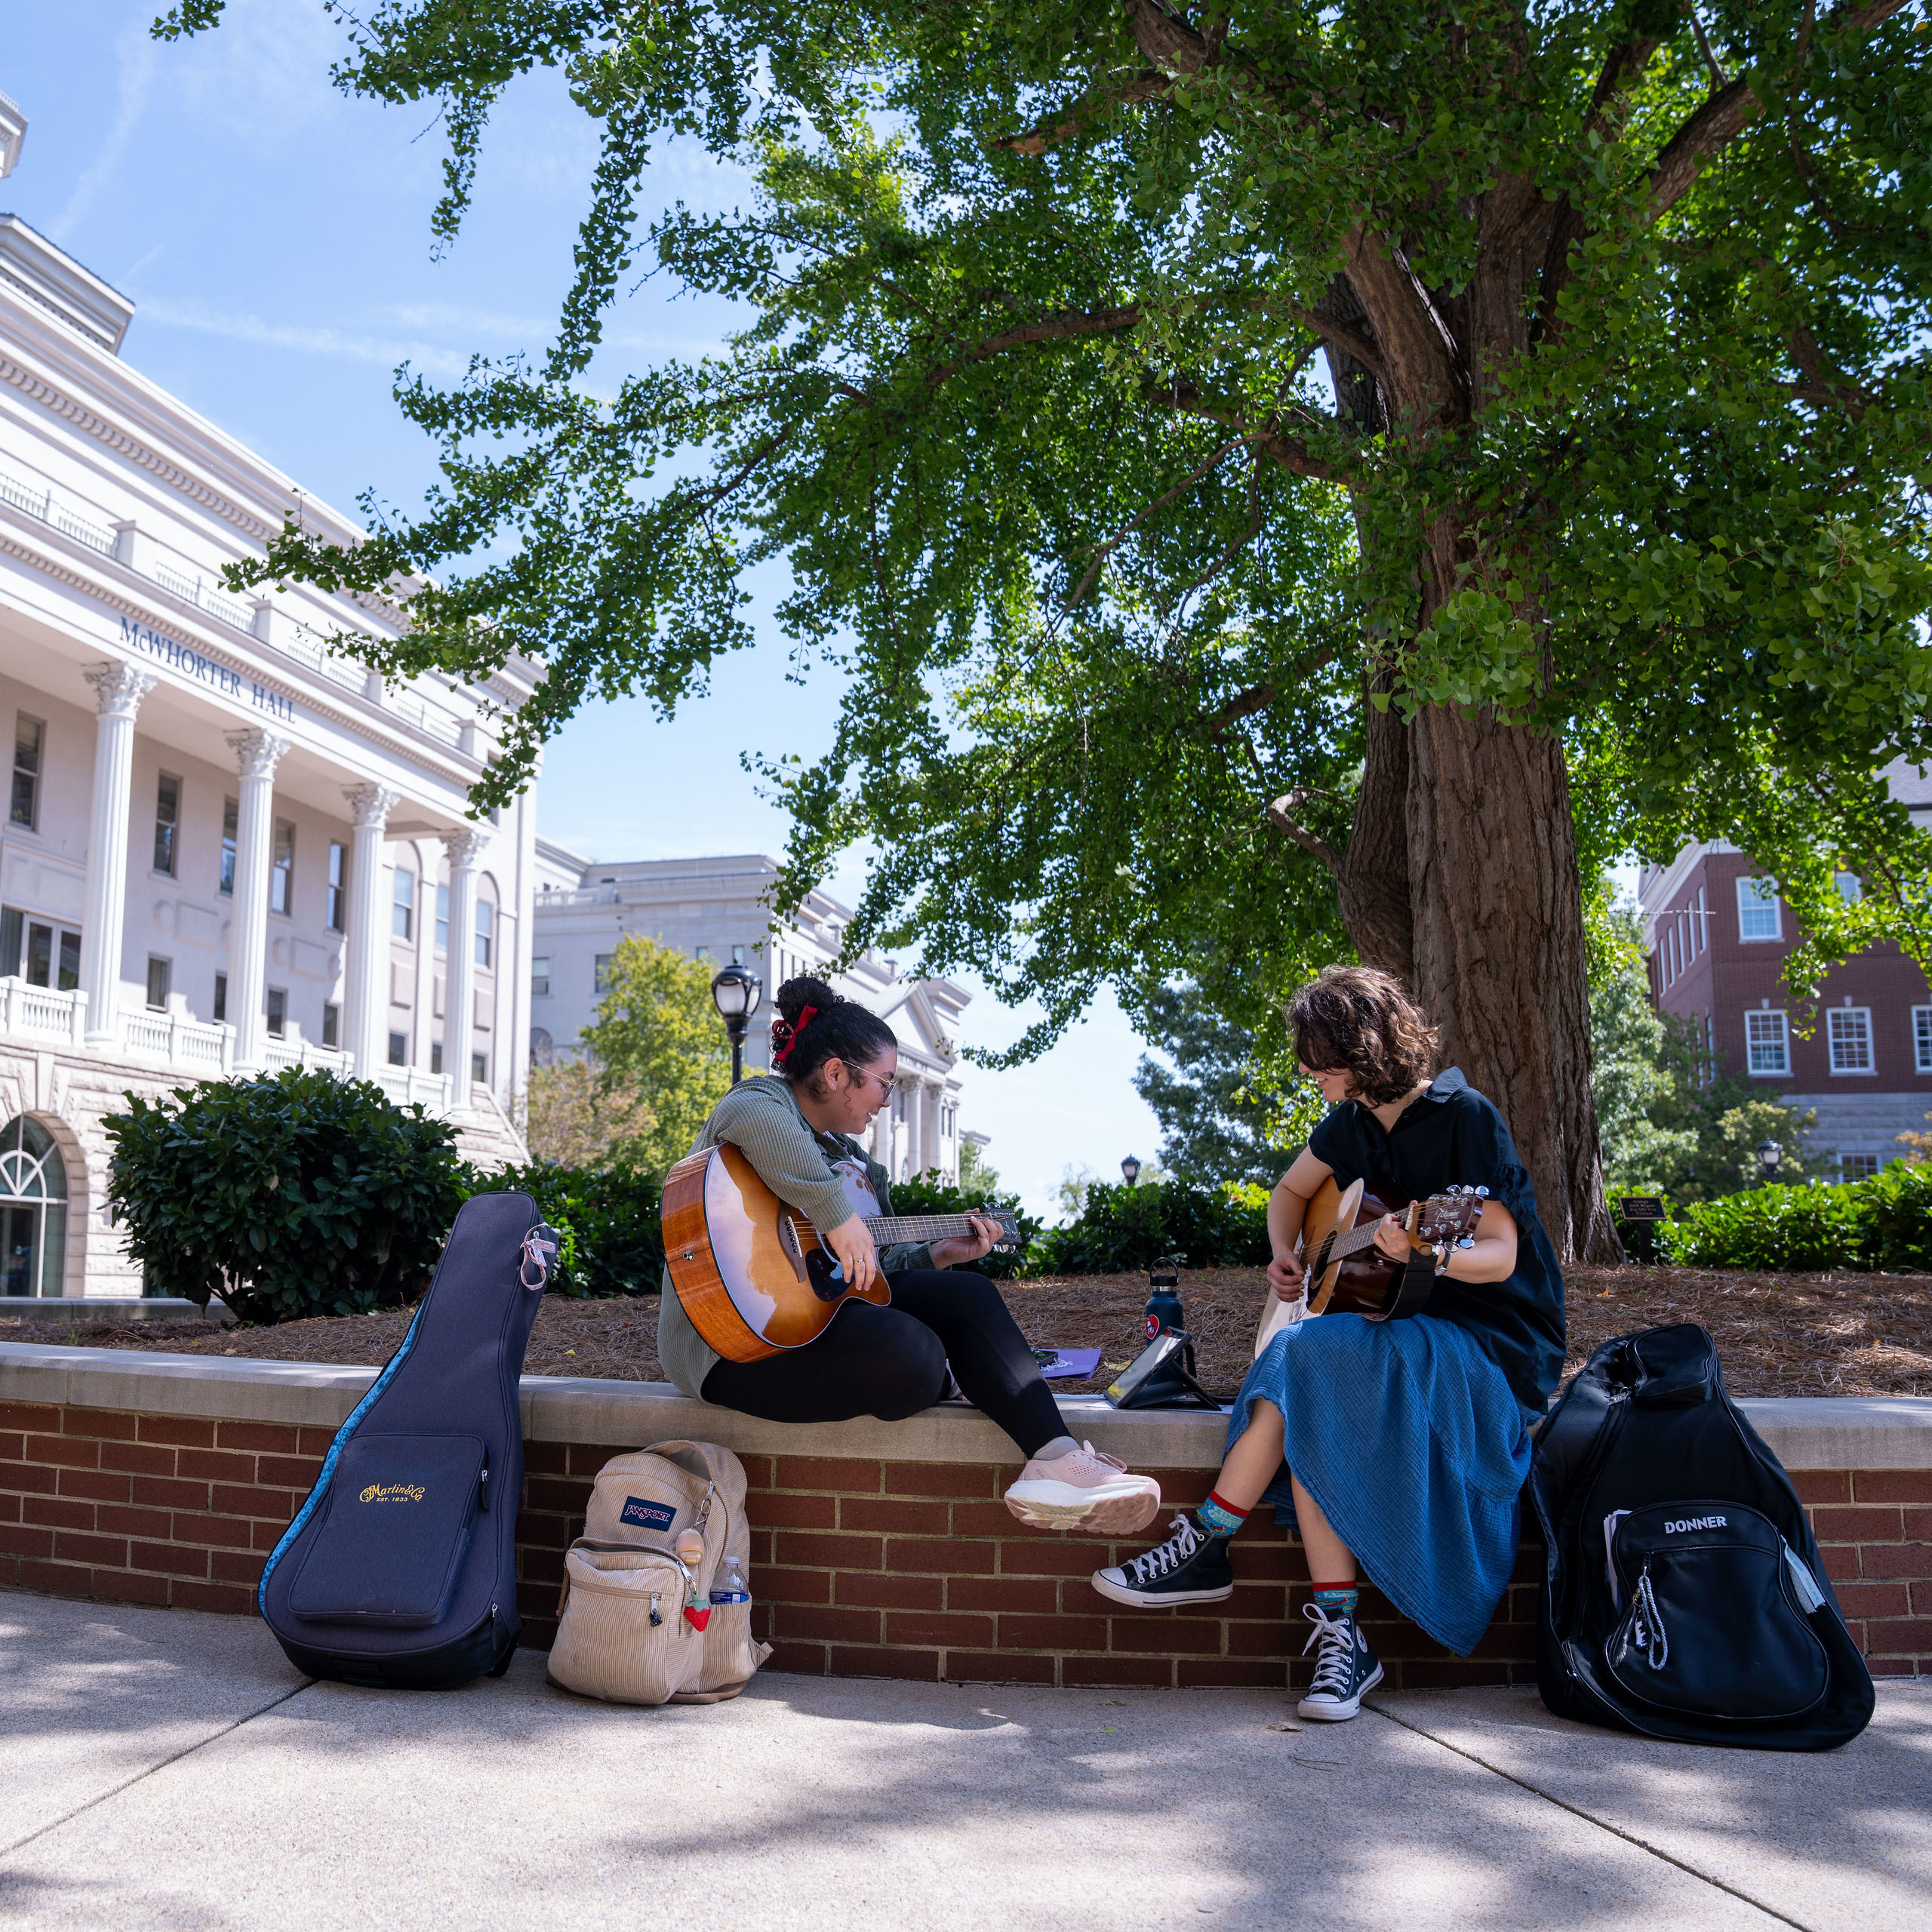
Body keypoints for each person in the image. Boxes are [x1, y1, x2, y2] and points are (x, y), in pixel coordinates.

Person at [1091, 965, 1567, 1721]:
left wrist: (1425, 1252)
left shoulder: (1462, 1116)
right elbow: (1289, 1193)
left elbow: (1502, 1252)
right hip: (1396, 1328)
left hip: (1488, 1339)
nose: (1309, 1071)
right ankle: (1342, 1634)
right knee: (1314, 1383)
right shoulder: (1348, 1123)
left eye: (1322, 1058)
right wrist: (1287, 1254)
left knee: (1306, 1358)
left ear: (1366, 1050)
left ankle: (1208, 1540)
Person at [657, 975, 1163, 1535]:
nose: (887, 1099)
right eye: (883, 1081)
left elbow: (864, 1279)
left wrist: (939, 1254)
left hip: (821, 1320)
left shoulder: (855, 1166)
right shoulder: (757, 1102)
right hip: (735, 1348)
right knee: (913, 1356)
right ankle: (962, 1372)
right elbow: (770, 1133)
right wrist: (837, 1217)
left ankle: (1056, 1461)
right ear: (834, 1074)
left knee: (968, 1296)